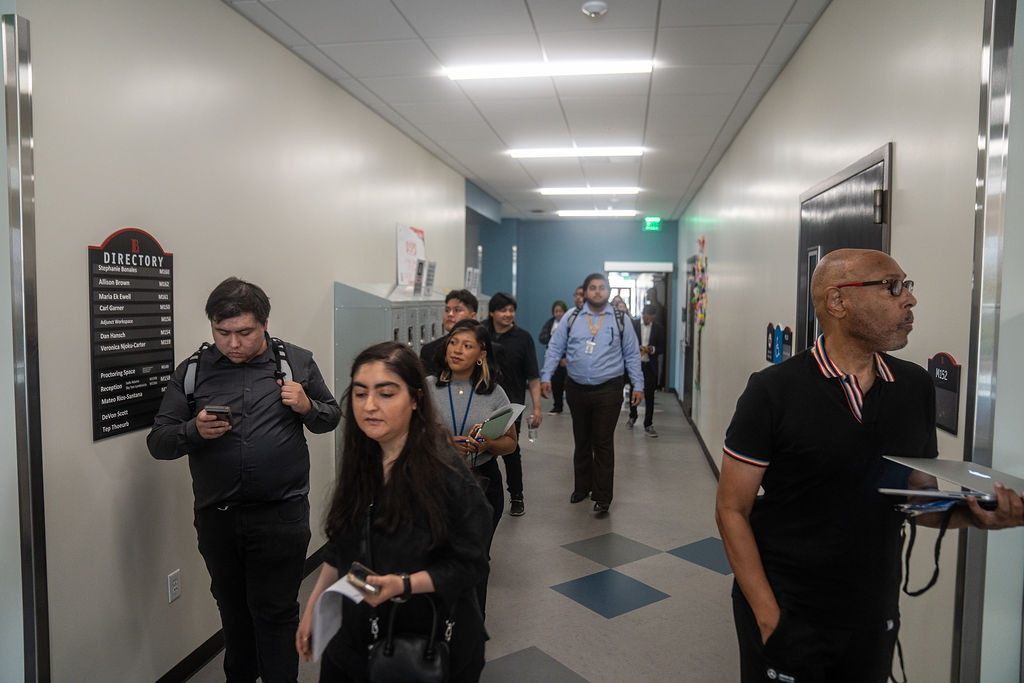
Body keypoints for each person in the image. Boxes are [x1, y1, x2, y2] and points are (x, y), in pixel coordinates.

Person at [715, 249, 1024, 683]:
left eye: (908, 285)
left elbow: (918, 498)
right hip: (789, 605)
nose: (909, 300)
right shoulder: (773, 392)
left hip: (873, 610)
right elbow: (732, 509)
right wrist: (769, 617)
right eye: (892, 286)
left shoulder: (914, 386)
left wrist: (977, 516)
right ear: (838, 302)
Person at [148, 277, 341, 683]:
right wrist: (192, 432)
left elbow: (331, 417)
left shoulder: (296, 362)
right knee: (234, 614)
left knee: (276, 613)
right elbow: (159, 442)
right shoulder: (193, 371)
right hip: (219, 519)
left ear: (265, 324)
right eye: (223, 333)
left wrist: (307, 406)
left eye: (244, 333)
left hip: (281, 516)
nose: (233, 343)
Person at [296, 342, 491, 682]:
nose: (370, 406)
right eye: (360, 394)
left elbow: (469, 565)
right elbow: (341, 545)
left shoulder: (448, 477)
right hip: (357, 637)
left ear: (416, 399)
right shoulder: (363, 462)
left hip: (425, 643)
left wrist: (402, 584)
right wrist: (315, 604)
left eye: (386, 394)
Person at [427, 319, 517, 614]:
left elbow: (511, 444)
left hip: (482, 483)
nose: (457, 350)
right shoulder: (427, 387)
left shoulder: (495, 393)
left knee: (476, 556)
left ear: (481, 354)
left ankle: (471, 623)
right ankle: (437, 623)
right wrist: (443, 442)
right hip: (437, 481)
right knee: (438, 555)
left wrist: (488, 444)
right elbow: (411, 436)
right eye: (453, 343)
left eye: (467, 346)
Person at [540, 273, 643, 514]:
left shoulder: (620, 319)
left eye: (602, 288)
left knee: (603, 441)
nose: (597, 291)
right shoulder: (572, 316)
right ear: (585, 292)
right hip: (576, 388)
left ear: (607, 292)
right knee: (582, 439)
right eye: (593, 288)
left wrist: (638, 385)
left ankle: (602, 496)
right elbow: (555, 348)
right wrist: (546, 376)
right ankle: (581, 487)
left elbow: (632, 354)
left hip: (609, 388)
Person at [484, 292, 542, 517]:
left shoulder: (523, 338)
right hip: (482, 402)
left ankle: (516, 496)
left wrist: (536, 408)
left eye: (511, 310)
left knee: (511, 451)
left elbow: (533, 376)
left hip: (511, 405)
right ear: (492, 312)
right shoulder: (482, 334)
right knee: (481, 449)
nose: (508, 314)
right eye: (503, 310)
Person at [420, 289, 478, 376]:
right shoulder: (429, 351)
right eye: (447, 310)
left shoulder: (486, 349)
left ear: (472, 316)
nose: (450, 314)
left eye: (457, 310)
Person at [627, 304, 666, 437]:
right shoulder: (634, 324)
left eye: (651, 319)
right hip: (636, 364)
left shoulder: (659, 329)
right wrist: (635, 347)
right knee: (634, 390)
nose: (648, 320)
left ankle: (648, 423)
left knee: (650, 395)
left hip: (650, 365)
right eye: (647, 317)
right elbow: (627, 342)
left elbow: (662, 347)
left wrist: (652, 349)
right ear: (643, 313)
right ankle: (632, 416)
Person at [539, 300, 569, 414]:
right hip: (554, 357)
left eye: (560, 311)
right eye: (556, 311)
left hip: (567, 358)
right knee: (556, 383)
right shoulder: (550, 323)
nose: (558, 314)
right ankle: (557, 406)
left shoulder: (570, 322)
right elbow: (541, 338)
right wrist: (552, 336)